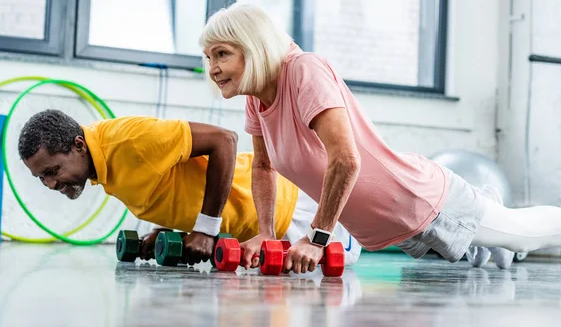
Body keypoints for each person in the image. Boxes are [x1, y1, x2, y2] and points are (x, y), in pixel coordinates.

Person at [199, 2, 561, 273]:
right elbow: (265, 167)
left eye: (223, 54)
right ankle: (488, 216)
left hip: (422, 202)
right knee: (490, 254)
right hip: (396, 230)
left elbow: (346, 160)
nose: (213, 68)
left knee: (526, 231)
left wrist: (317, 238)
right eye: (208, 56)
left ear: (252, 48)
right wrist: (267, 233)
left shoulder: (303, 71)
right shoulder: (257, 97)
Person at [17, 110, 361, 266]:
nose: (50, 183)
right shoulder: (99, 162)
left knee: (390, 235)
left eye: (52, 171)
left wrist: (205, 228)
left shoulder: (131, 139)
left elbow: (224, 141)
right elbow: (171, 183)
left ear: (78, 145)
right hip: (255, 235)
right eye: (41, 178)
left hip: (292, 212)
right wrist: (164, 229)